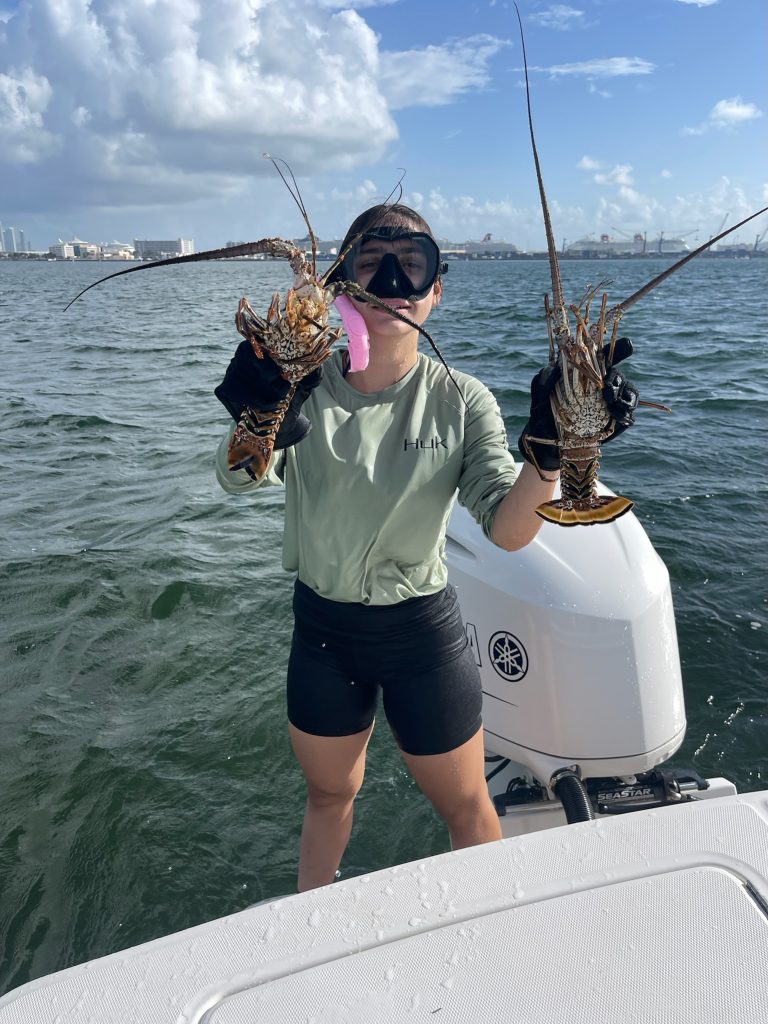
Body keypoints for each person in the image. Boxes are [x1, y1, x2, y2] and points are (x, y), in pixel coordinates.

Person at [213, 204, 639, 892]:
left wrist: (551, 455)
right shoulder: (301, 390)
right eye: (369, 263)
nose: (390, 283)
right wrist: (259, 416)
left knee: (467, 804)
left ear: (437, 288)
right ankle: (311, 933)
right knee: (327, 796)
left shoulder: (461, 400)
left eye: (411, 266)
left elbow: (507, 529)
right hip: (324, 628)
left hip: (421, 632)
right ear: (340, 282)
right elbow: (237, 480)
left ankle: (494, 933)